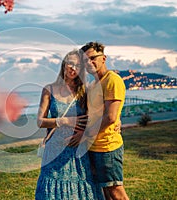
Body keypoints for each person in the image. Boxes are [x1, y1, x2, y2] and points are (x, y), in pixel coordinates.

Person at [35, 49, 104, 200]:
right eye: (70, 64)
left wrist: (83, 134)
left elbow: (98, 115)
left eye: (78, 66)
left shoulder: (85, 91)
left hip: (78, 150)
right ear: (63, 65)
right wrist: (64, 121)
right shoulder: (49, 89)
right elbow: (40, 121)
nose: (73, 68)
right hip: (54, 150)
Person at [80, 41, 129, 200]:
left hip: (107, 146)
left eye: (93, 57)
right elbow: (96, 114)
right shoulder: (93, 85)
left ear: (103, 58)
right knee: (106, 193)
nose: (89, 62)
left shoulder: (112, 80)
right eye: (85, 60)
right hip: (94, 147)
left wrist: (85, 134)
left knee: (116, 192)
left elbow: (110, 117)